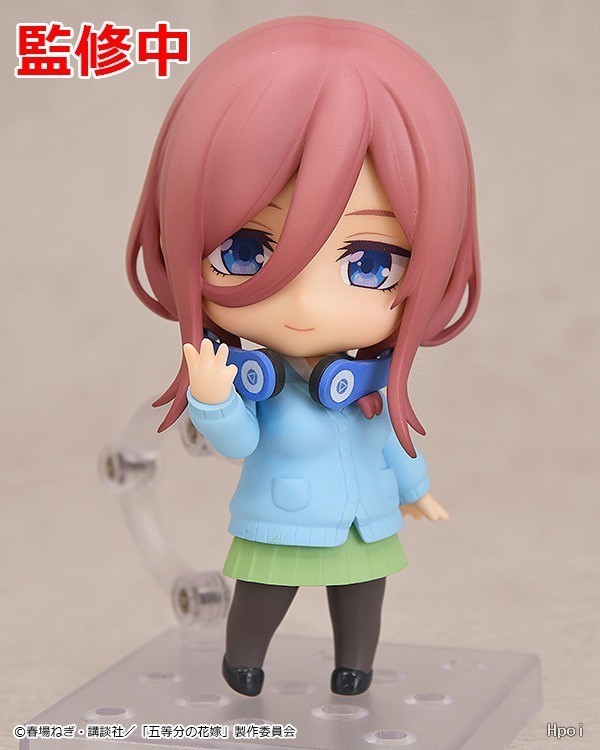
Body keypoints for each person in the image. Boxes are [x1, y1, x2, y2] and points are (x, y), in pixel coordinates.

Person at [126, 16, 480, 697]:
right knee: (265, 589)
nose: (305, 303)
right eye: (245, 250)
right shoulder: (262, 382)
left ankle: (355, 668)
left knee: (363, 592)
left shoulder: (370, 383)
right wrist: (214, 398)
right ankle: (243, 663)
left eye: (371, 263)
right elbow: (239, 441)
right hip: (281, 513)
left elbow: (393, 436)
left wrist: (415, 490)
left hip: (365, 515)